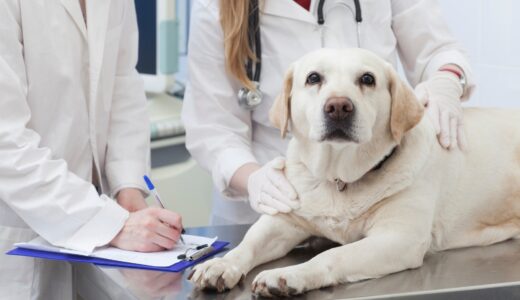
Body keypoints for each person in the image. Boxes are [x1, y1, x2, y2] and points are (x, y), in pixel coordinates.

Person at [182, 0, 475, 225]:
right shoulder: (215, 6)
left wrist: (446, 81)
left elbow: (438, 51)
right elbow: (214, 128)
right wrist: (256, 180)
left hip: (375, 203)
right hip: (271, 208)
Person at [0, 0, 182, 298]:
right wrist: (111, 225)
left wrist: (128, 186)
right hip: (17, 230)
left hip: (93, 222)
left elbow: (122, 79)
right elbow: (5, 143)